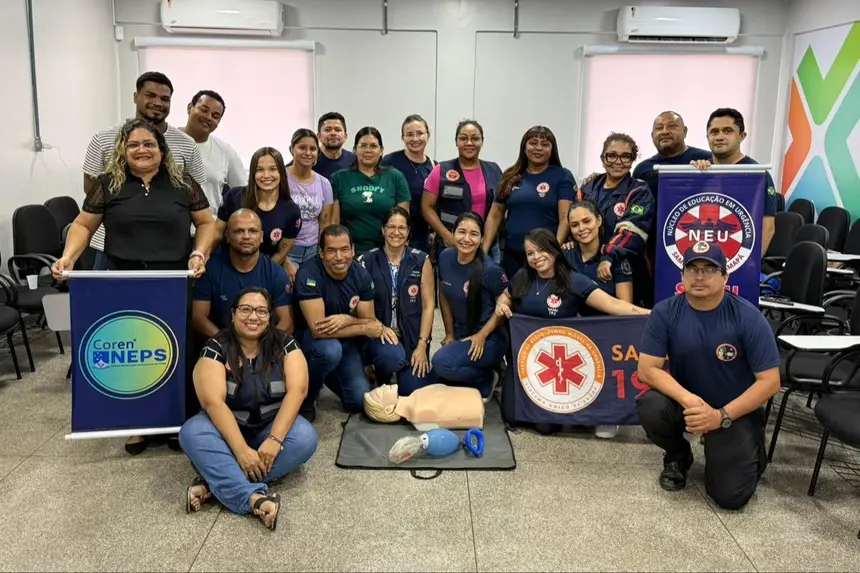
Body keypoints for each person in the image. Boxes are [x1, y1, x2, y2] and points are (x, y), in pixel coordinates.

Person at [52, 118, 217, 455]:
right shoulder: (108, 183)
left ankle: (175, 419)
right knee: (134, 353)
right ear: (123, 150)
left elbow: (205, 223)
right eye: (134, 145)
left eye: (149, 144)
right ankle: (138, 425)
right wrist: (68, 257)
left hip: (172, 284)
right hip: (123, 282)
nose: (142, 150)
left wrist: (199, 253)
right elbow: (83, 225)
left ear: (162, 149)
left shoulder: (182, 182)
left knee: (173, 351)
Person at [636, 242, 780, 509]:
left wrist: (719, 416)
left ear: (725, 276)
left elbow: (770, 382)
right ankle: (678, 455)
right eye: (692, 269)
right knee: (651, 406)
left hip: (733, 410)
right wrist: (689, 400)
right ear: (682, 276)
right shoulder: (665, 312)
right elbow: (647, 369)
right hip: (689, 404)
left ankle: (749, 447)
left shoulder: (747, 316)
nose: (699, 276)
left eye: (710, 269)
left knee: (730, 497)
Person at [179, 287, 318, 531]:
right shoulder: (215, 347)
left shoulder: (286, 344)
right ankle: (252, 498)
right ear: (233, 314)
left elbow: (298, 391)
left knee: (306, 437)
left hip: (269, 429)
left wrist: (274, 439)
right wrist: (242, 451)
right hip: (226, 432)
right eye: (245, 309)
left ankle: (216, 481)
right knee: (192, 432)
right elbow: (212, 402)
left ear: (269, 317)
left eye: (261, 311)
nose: (253, 316)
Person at [495, 228, 649, 438]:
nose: (536, 257)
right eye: (530, 253)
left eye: (542, 250)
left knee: (546, 427)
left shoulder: (573, 280)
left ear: (554, 250)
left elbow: (613, 305)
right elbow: (506, 295)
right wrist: (502, 304)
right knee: (512, 416)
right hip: (524, 360)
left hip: (557, 363)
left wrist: (652, 314)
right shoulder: (523, 276)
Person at [83, 71, 206, 270]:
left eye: (164, 99)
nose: (158, 103)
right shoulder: (103, 138)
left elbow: (195, 195)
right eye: (150, 95)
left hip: (170, 252)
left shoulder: (187, 144)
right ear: (136, 97)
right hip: (110, 247)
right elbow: (91, 188)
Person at [293, 225, 406, 420]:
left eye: (344, 249)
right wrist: (362, 326)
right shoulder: (308, 274)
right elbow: (319, 330)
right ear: (321, 253)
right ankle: (306, 398)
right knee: (329, 351)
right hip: (313, 341)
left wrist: (348, 319)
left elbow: (369, 321)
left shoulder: (360, 274)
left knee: (358, 401)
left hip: (346, 342)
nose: (339, 257)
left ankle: (351, 375)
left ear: (353, 251)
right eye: (331, 251)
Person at [632, 111, 711, 307]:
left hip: (697, 241)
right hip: (655, 249)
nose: (665, 131)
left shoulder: (706, 160)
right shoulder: (643, 169)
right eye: (659, 128)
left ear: (685, 131)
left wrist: (709, 170)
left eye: (672, 126)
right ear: (652, 135)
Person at [358, 207, 435, 396]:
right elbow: (360, 309)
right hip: (381, 335)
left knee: (413, 392)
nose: (396, 232)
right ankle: (380, 372)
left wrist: (422, 345)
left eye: (402, 228)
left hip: (412, 338)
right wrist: (377, 329)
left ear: (409, 231)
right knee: (391, 358)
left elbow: (428, 306)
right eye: (391, 227)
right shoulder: (366, 260)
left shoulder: (421, 260)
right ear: (383, 230)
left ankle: (402, 369)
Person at [483, 126, 575, 278]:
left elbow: (565, 218)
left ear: (552, 149)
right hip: (512, 256)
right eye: (533, 143)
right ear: (524, 147)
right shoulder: (510, 175)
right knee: (511, 292)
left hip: (545, 258)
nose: (538, 148)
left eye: (545, 144)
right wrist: (483, 253)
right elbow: (495, 215)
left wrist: (554, 252)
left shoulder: (562, 176)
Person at [432, 213, 508, 399]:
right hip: (461, 333)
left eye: (474, 234)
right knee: (433, 378)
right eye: (461, 232)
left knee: (442, 363)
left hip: (489, 338)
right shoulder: (445, 257)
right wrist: (449, 334)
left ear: (482, 238)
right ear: (453, 233)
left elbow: (505, 304)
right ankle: (484, 369)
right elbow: (443, 294)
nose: (466, 239)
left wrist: (482, 335)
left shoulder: (491, 270)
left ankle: (488, 377)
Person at [576, 132, 655, 306]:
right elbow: (574, 221)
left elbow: (632, 231)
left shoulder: (639, 190)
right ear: (602, 158)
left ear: (633, 160)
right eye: (611, 155)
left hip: (627, 271)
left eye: (625, 156)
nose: (618, 162)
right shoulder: (588, 188)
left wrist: (609, 256)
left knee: (623, 316)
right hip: (586, 268)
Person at [193, 209, 294, 338]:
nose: (246, 236)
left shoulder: (275, 273)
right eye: (239, 231)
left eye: (253, 231)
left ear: (261, 236)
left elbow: (287, 323)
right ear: (227, 236)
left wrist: (261, 345)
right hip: (222, 340)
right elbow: (198, 318)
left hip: (265, 342)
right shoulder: (210, 270)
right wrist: (226, 343)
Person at [691, 108, 778, 255]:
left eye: (727, 131)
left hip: (738, 257)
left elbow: (767, 228)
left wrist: (750, 264)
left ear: (741, 136)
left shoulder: (757, 175)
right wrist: (688, 175)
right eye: (714, 132)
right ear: (707, 137)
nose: (719, 137)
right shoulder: (699, 171)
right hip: (701, 256)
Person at [421, 120, 503, 261]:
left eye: (475, 138)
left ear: (482, 142)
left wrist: (484, 247)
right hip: (451, 246)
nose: (469, 143)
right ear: (456, 141)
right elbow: (426, 207)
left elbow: (498, 210)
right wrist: (446, 235)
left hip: (487, 246)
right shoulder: (441, 170)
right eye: (463, 138)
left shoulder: (494, 170)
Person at [218, 147, 302, 275]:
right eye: (260, 170)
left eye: (273, 169)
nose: (266, 175)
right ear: (253, 173)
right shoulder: (234, 197)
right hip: (228, 266)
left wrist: (260, 275)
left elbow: (281, 253)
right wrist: (201, 255)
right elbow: (217, 234)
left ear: (281, 172)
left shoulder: (291, 211)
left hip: (264, 270)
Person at [329, 127, 411, 256]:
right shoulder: (338, 178)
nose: (368, 150)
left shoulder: (395, 177)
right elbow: (334, 221)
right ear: (355, 149)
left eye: (373, 146)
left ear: (381, 150)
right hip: (348, 252)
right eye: (363, 146)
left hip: (386, 252)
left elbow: (403, 221)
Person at [180, 90, 246, 217]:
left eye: (215, 116)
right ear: (190, 107)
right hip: (168, 224)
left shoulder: (226, 152)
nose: (208, 117)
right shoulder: (165, 142)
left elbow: (243, 192)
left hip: (210, 225)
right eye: (204, 110)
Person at [564, 200, 634, 314]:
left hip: (606, 323)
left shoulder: (615, 256)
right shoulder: (564, 255)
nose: (581, 228)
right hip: (570, 324)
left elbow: (626, 309)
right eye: (575, 225)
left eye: (587, 221)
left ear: (598, 221)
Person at [382, 114, 435, 252]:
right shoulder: (389, 162)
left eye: (420, 133)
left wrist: (433, 231)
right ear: (403, 137)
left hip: (422, 237)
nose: (415, 139)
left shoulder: (434, 167)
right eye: (409, 134)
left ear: (428, 135)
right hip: (393, 235)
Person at [286, 128, 334, 274]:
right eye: (302, 147)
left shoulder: (324, 183)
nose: (308, 153)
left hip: (313, 251)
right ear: (292, 149)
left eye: (313, 149)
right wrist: (284, 259)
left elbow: (325, 222)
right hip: (287, 250)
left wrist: (322, 253)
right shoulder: (281, 179)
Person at [314, 112, 355, 179]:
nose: (333, 133)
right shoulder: (310, 159)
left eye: (338, 130)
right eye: (327, 130)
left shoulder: (354, 160)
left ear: (345, 137)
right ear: (319, 137)